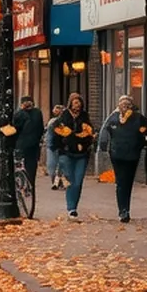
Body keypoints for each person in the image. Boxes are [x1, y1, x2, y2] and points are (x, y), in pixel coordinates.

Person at [100, 95, 147, 223]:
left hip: (132, 155)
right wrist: (104, 145)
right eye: (122, 104)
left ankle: (125, 208)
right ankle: (123, 210)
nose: (125, 107)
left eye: (128, 105)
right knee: (121, 182)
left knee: (128, 182)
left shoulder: (139, 118)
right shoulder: (114, 118)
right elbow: (105, 131)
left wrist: (142, 144)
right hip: (117, 155)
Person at [50, 92, 94, 221]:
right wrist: (59, 146)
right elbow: (56, 131)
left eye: (79, 102)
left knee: (78, 181)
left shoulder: (85, 116)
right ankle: (71, 208)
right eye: (75, 102)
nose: (78, 104)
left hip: (82, 154)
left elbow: (89, 132)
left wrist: (86, 143)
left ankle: (74, 206)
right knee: (70, 180)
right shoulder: (64, 116)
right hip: (66, 153)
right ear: (70, 103)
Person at [13, 96, 45, 196]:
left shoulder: (19, 114)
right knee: (30, 166)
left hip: (22, 144)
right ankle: (29, 185)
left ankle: (24, 184)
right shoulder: (37, 113)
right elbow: (40, 128)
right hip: (32, 144)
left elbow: (15, 128)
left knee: (22, 164)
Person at [44, 104, 66, 188]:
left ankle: (58, 182)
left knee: (60, 165)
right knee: (52, 167)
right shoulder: (52, 122)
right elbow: (48, 134)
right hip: (53, 146)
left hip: (61, 146)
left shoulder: (65, 121)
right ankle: (56, 181)